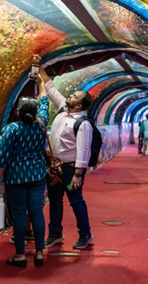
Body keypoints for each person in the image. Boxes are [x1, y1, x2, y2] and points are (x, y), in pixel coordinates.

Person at [0, 56, 49, 268]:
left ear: (17, 112)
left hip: (16, 178)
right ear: (34, 113)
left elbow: (3, 158)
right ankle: (41, 252)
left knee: (18, 213)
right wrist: (39, 82)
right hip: (37, 176)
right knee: (36, 213)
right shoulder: (41, 124)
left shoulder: (11, 130)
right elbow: (44, 101)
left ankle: (20, 255)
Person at [36, 55, 94, 250]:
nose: (70, 96)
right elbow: (50, 88)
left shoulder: (83, 123)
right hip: (54, 166)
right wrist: (38, 65)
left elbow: (84, 150)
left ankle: (85, 234)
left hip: (70, 169)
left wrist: (78, 174)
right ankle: (55, 234)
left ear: (79, 106)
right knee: (54, 201)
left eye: (74, 97)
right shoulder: (62, 110)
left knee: (76, 201)